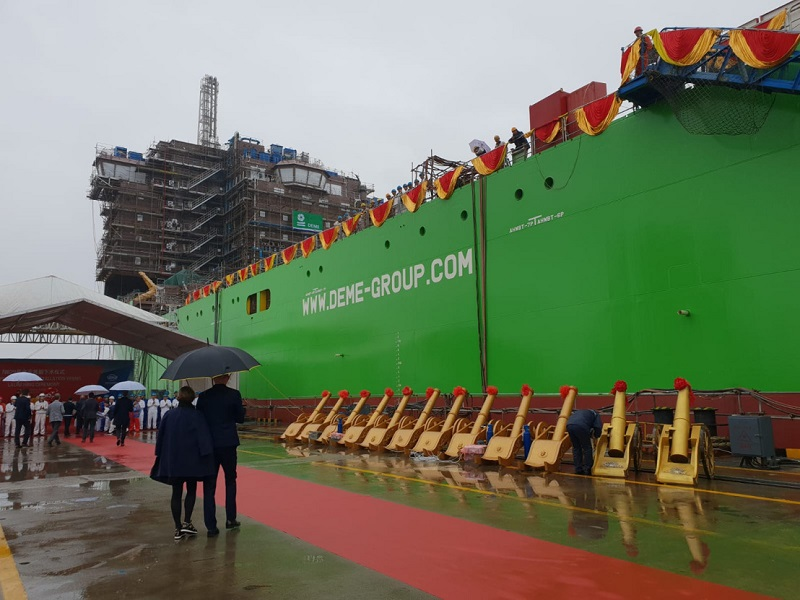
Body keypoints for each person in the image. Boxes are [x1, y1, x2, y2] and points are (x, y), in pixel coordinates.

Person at [150, 385, 215, 541]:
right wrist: (208, 455)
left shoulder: (169, 415)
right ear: (192, 399)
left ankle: (177, 528)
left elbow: (161, 436)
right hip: (193, 460)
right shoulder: (197, 415)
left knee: (176, 493)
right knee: (191, 491)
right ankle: (187, 522)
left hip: (174, 460)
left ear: (178, 397)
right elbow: (204, 438)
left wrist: (159, 454)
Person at [197, 373, 246, 536]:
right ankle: (231, 518)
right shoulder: (234, 394)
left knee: (209, 484)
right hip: (228, 443)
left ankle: (211, 526)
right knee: (230, 480)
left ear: (213, 378)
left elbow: (199, 419)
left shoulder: (204, 396)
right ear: (227, 378)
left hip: (210, 444)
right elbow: (240, 418)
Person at [566, 408, 603, 475]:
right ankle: (588, 469)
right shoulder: (596, 414)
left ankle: (578, 469)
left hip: (569, 425)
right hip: (581, 426)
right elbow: (598, 427)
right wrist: (596, 435)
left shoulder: (581, 412)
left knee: (576, 447)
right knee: (587, 448)